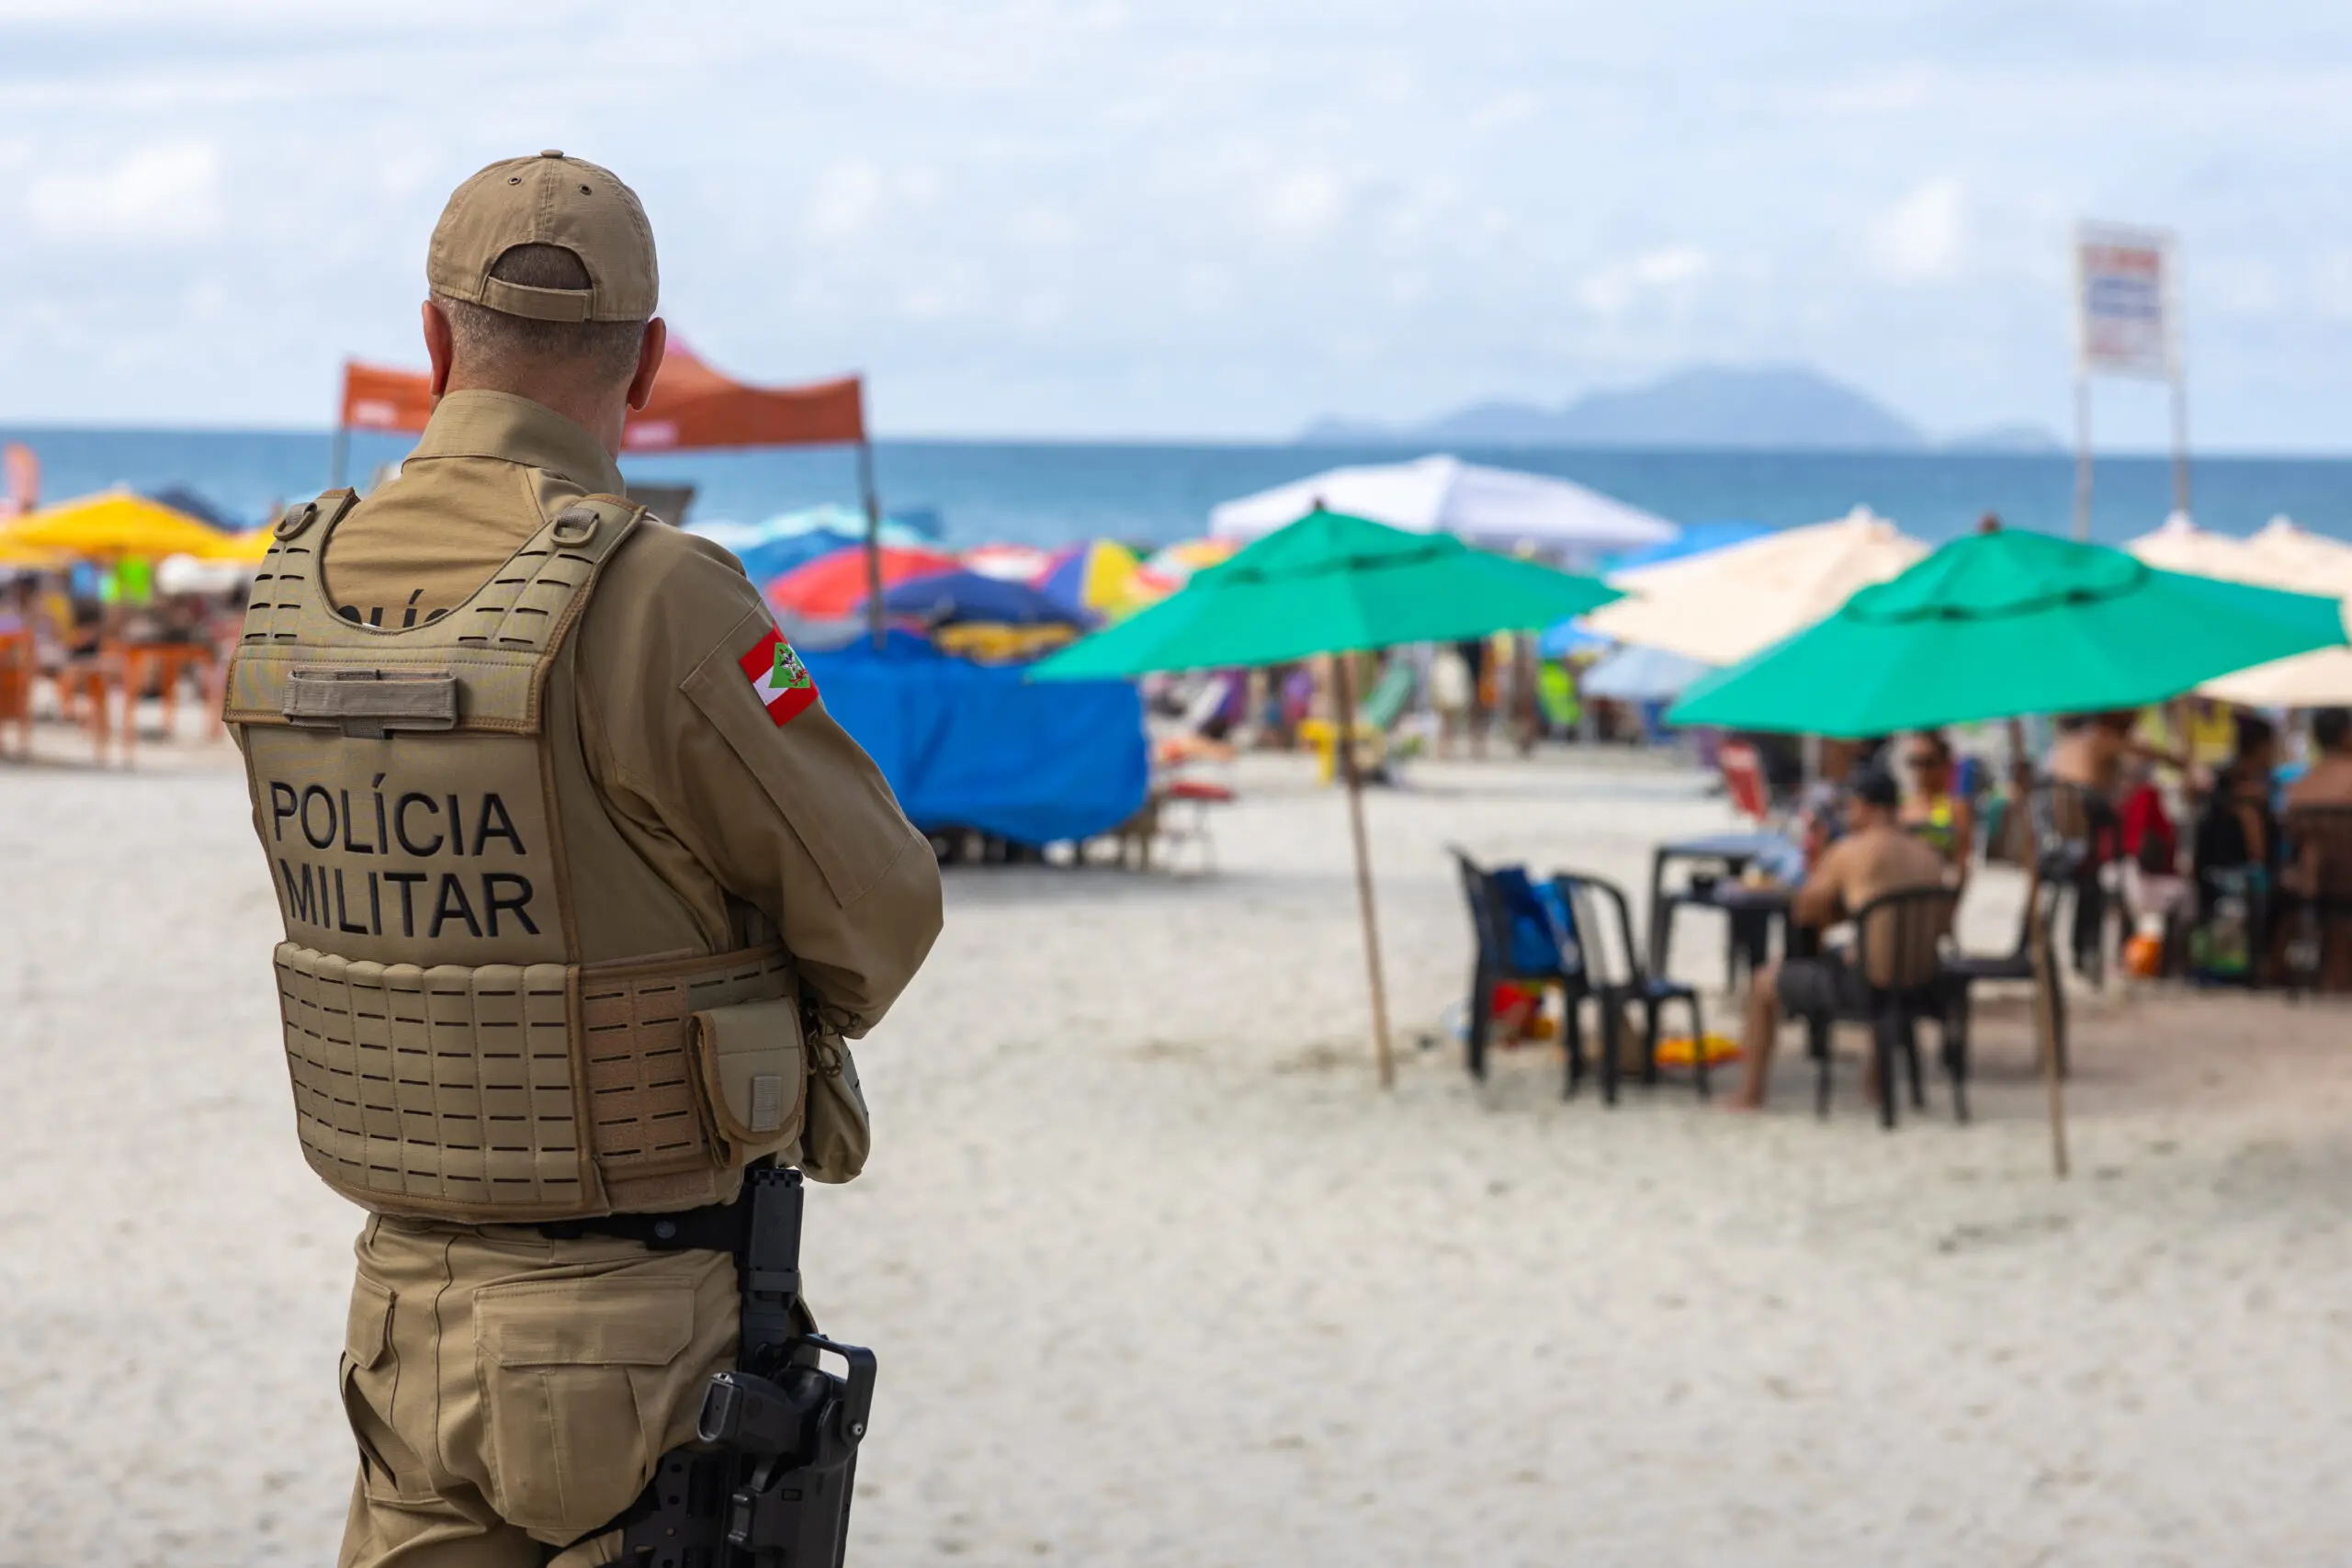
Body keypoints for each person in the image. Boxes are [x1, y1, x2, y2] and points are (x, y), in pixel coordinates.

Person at [223, 152, 944, 1568]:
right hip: (638, 1332)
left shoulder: (288, 591)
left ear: (434, 342)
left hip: (400, 1309)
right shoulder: (660, 593)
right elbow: (883, 909)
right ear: (650, 362)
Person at [1729, 766, 1949, 1111]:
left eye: (1851, 807)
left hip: (1869, 987)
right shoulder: (1929, 855)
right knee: (1867, 956)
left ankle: (1750, 1094)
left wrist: (1822, 858)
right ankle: (1875, 1080)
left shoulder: (1852, 850)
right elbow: (1937, 924)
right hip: (1923, 983)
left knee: (1763, 984)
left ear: (1864, 806)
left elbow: (1805, 910)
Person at [1899, 728, 1974, 876]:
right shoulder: (1903, 805)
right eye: (1914, 762)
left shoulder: (1954, 807)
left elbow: (1962, 857)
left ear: (1944, 764)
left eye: (1928, 763)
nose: (1921, 770)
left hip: (1939, 882)